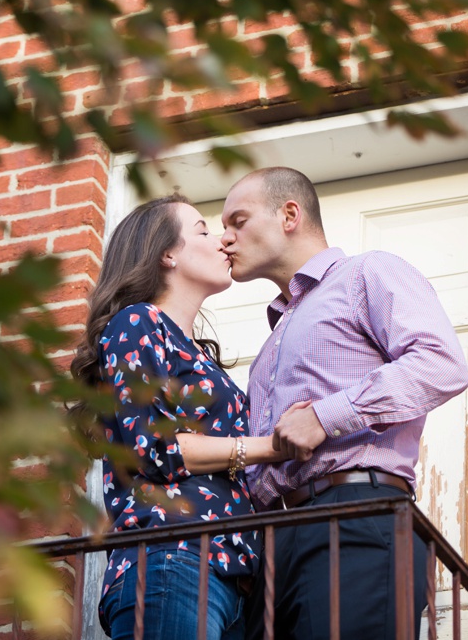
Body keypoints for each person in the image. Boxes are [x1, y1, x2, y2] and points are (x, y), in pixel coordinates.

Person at [219, 167, 468, 640]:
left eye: (238, 220)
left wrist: (325, 416)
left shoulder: (366, 273)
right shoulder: (269, 349)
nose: (224, 238)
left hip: (355, 518)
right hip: (276, 546)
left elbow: (442, 364)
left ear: (289, 214)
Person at [70, 194, 302, 640]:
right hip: (172, 561)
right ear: (167, 253)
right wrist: (272, 446)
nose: (222, 241)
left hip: (233, 582)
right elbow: (155, 448)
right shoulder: (137, 324)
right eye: (203, 230)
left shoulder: (201, 358)